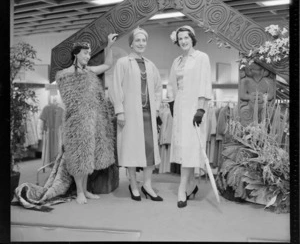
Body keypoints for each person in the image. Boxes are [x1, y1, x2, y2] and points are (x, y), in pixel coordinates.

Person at [55, 33, 118, 204]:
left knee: (89, 156)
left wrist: (109, 46)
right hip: (76, 121)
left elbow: (107, 64)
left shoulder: (90, 71)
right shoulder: (65, 74)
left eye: (89, 53)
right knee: (78, 156)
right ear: (76, 53)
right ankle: (79, 192)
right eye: (85, 53)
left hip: (93, 120)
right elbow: (68, 99)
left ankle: (86, 189)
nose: (88, 56)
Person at [111, 27, 163, 201]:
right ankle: (133, 184)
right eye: (138, 40)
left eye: (144, 40)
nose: (141, 43)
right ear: (131, 43)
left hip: (148, 115)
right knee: (131, 149)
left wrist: (156, 109)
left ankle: (147, 185)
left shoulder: (150, 64)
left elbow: (157, 89)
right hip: (130, 114)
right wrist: (119, 110)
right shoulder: (123, 63)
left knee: (150, 151)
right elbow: (116, 87)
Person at [167, 25, 212, 208]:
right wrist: (172, 105)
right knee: (184, 149)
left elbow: (205, 82)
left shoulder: (202, 58)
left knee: (190, 149)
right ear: (177, 41)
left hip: (195, 108)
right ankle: (192, 185)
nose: (183, 41)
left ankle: (182, 188)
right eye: (180, 39)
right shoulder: (176, 61)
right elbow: (171, 84)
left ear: (192, 38)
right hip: (179, 108)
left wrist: (201, 109)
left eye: (186, 37)